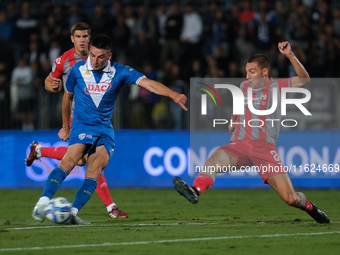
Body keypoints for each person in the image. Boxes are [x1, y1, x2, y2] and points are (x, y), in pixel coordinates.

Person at [32, 34, 187, 224]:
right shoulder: (77, 70)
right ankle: (42, 202)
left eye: (101, 57)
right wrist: (65, 126)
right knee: (71, 161)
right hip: (83, 124)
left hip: (105, 129)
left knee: (94, 170)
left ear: (109, 56)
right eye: (93, 55)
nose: (95, 61)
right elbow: (67, 97)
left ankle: (71, 213)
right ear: (90, 51)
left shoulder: (120, 71)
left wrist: (172, 94)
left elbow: (147, 83)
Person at [173, 41, 330, 224]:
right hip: (239, 145)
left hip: (264, 149)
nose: (247, 76)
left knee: (290, 199)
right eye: (246, 71)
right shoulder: (244, 86)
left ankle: (311, 208)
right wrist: (233, 117)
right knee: (213, 160)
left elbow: (304, 79)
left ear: (264, 72)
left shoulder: (278, 87)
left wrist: (290, 55)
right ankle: (195, 190)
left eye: (252, 72)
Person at [26, 22, 128, 219]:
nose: (82, 40)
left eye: (85, 36)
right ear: (72, 39)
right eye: (78, 36)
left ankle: (39, 150)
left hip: (96, 116)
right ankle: (110, 206)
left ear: (90, 38)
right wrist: (52, 86)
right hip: (77, 116)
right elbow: (48, 81)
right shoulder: (64, 60)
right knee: (88, 160)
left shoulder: (98, 56)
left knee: (82, 159)